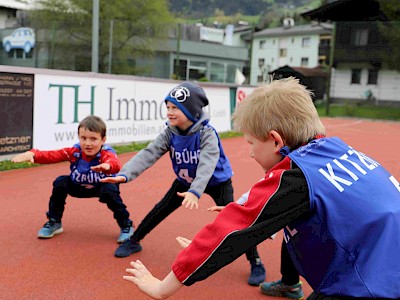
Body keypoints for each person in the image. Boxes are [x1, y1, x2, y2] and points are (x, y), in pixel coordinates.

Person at [121, 77, 400, 299]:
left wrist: (163, 287)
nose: (251, 154)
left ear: (276, 141)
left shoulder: (296, 176)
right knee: (297, 229)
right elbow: (271, 205)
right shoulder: (337, 149)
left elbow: (233, 229)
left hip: (370, 285)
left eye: (252, 144)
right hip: (385, 265)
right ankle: (289, 284)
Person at [101, 81, 266, 286]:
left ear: (191, 110)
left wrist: (195, 192)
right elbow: (149, 153)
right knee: (160, 209)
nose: (169, 112)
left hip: (217, 182)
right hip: (185, 181)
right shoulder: (170, 132)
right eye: (167, 107)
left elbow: (207, 164)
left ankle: (255, 261)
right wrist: (125, 174)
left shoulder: (207, 133)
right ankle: (134, 241)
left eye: (175, 108)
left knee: (234, 221)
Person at [11, 115, 134, 244]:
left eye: (93, 139)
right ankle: (54, 222)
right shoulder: (74, 151)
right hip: (78, 186)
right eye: (84, 138)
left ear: (103, 140)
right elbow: (53, 155)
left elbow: (114, 163)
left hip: (101, 187)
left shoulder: (106, 153)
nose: (87, 143)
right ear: (79, 137)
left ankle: (126, 225)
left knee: (110, 189)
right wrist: (33, 154)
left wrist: (107, 166)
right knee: (60, 182)